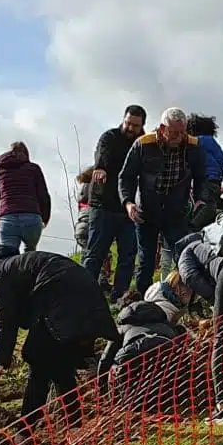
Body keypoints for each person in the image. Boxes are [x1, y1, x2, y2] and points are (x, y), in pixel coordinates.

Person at [0, 249, 118, 423]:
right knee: (60, 365)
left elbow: (4, 319)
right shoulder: (18, 265)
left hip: (62, 298)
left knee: (37, 359)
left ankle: (26, 430)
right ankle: (74, 423)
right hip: (88, 294)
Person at [119, 107, 202, 297]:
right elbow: (126, 177)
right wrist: (128, 202)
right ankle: (143, 300)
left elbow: (201, 176)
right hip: (146, 210)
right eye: (173, 133)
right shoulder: (143, 144)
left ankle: (185, 299)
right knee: (146, 260)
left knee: (183, 256)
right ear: (163, 128)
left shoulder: (193, 146)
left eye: (182, 132)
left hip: (176, 210)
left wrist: (200, 198)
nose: (178, 137)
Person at [83, 105, 147, 300]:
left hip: (128, 208)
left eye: (135, 125)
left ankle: (119, 296)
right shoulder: (109, 137)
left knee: (128, 255)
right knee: (95, 253)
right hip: (103, 205)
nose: (130, 128)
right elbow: (101, 154)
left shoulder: (144, 144)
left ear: (142, 125)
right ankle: (83, 294)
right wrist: (100, 167)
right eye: (128, 123)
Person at [0, 142, 53, 252]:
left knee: (8, 256)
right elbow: (43, 196)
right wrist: (45, 218)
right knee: (30, 254)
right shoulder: (34, 169)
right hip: (31, 216)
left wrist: (5, 208)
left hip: (7, 218)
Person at [186, 114, 223, 219]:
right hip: (213, 181)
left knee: (202, 208)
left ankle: (193, 225)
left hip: (197, 182)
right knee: (209, 207)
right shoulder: (210, 142)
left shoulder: (189, 143)